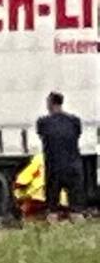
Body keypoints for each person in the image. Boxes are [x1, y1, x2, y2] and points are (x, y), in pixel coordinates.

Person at [37, 91, 83, 220]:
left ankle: (54, 228)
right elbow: (77, 135)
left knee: (52, 207)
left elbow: (42, 136)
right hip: (73, 166)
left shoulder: (43, 122)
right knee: (76, 207)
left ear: (50, 104)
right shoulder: (74, 121)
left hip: (54, 167)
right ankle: (77, 228)